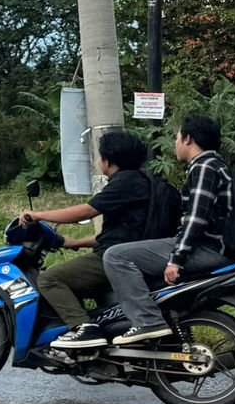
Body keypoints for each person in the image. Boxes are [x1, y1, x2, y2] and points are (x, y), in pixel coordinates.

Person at [102, 114, 235, 344]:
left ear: (188, 139)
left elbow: (196, 218)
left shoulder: (204, 167)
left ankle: (147, 322)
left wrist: (176, 259)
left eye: (176, 138)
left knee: (116, 256)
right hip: (219, 247)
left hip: (209, 248)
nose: (175, 143)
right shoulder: (219, 165)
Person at [30, 130, 153, 349]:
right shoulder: (142, 181)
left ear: (108, 159)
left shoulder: (124, 182)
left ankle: (83, 329)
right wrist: (75, 243)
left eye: (99, 156)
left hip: (115, 259)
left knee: (49, 279)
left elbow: (85, 212)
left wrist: (38, 215)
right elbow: (118, 233)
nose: (98, 161)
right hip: (131, 253)